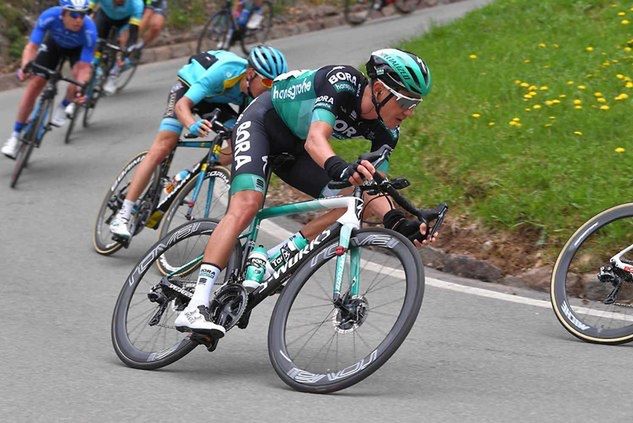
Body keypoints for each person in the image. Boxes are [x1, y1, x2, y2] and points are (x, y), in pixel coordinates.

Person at [173, 48, 436, 336]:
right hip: (263, 123)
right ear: (378, 89)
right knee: (247, 205)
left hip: (294, 150)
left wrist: (398, 222)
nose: (409, 112)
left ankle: (274, 257)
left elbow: (373, 182)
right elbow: (315, 140)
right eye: (405, 101)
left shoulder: (388, 132)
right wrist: (340, 167)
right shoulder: (341, 82)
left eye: (416, 103)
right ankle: (195, 305)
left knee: (352, 201)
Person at [108, 45, 288, 241]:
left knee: (239, 143)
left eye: (275, 84)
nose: (270, 89)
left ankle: (187, 175)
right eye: (268, 82)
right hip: (188, 90)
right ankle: (123, 213)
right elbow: (182, 105)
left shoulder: (254, 94)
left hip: (215, 102)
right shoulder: (227, 71)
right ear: (251, 74)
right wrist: (192, 124)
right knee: (165, 145)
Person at [1, 0, 96, 159]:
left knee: (77, 80)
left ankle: (64, 105)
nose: (79, 19)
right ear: (63, 13)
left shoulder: (89, 30)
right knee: (34, 85)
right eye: (74, 14)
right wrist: (26, 66)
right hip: (54, 46)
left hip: (76, 52)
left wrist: (80, 88)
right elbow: (32, 47)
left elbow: (84, 67)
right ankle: (15, 136)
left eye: (83, 14)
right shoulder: (49, 16)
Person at [88, 0, 145, 95]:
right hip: (105, 16)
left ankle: (114, 74)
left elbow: (133, 31)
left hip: (125, 21)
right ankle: (95, 65)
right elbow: (87, 11)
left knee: (124, 40)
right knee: (95, 39)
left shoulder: (137, 3)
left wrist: (129, 47)